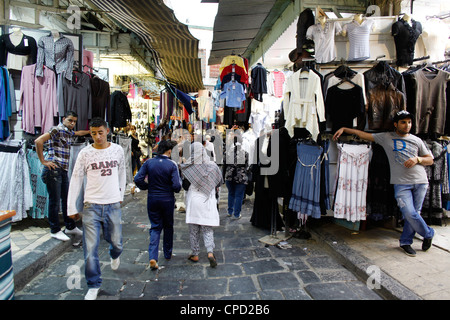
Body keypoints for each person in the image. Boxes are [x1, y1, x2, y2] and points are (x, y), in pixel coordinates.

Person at [333, 110, 435, 257]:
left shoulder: (416, 140)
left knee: (413, 214)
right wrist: (344, 129)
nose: (407, 125)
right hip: (401, 184)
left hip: (420, 181)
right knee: (409, 213)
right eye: (403, 122)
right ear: (395, 124)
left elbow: (430, 159)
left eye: (409, 122)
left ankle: (406, 242)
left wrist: (417, 159)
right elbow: (363, 134)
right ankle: (428, 233)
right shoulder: (386, 137)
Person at [67, 117, 126, 300]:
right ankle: (93, 284)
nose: (97, 137)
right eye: (93, 133)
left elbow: (122, 173)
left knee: (116, 242)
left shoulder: (117, 150)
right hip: (91, 205)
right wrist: (71, 207)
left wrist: (120, 195)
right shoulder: (85, 153)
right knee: (90, 248)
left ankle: (114, 254)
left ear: (107, 131)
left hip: (112, 204)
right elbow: (76, 178)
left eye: (100, 132)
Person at [35, 111, 90, 242]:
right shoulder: (57, 129)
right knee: (55, 202)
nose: (72, 123)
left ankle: (70, 226)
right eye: (70, 120)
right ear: (63, 119)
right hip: (53, 170)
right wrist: (43, 161)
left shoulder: (68, 132)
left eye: (74, 121)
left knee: (66, 199)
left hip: (62, 171)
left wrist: (90, 131)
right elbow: (38, 141)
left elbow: (78, 133)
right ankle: (54, 230)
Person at [134, 140, 181, 270]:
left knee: (155, 227)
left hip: (153, 198)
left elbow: (137, 179)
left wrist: (147, 186)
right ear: (169, 151)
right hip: (167, 199)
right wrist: (171, 188)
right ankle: (167, 253)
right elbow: (177, 186)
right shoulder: (172, 165)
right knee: (168, 226)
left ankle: (153, 257)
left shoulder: (149, 162)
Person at [180, 142, 223, 267]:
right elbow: (219, 182)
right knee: (207, 228)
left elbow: (185, 186)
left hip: (194, 200)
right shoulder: (213, 166)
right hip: (207, 200)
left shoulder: (189, 167)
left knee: (193, 230)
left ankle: (195, 254)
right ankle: (210, 252)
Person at [223, 130, 250, 219]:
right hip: (240, 176)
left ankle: (230, 211)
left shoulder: (227, 152)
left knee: (231, 193)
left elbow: (224, 165)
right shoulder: (245, 153)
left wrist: (224, 176)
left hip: (229, 176)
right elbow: (247, 166)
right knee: (239, 195)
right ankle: (237, 214)